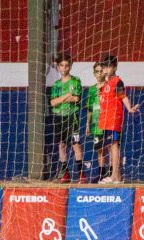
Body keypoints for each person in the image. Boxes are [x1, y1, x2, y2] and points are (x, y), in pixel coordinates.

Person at [97, 54, 139, 184]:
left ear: (114, 67)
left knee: (115, 147)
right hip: (106, 120)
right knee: (111, 147)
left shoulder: (117, 81)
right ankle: (115, 175)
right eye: (104, 67)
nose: (106, 69)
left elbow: (123, 96)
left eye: (109, 67)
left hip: (114, 119)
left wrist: (130, 108)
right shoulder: (106, 84)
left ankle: (115, 176)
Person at [49, 52, 86, 184]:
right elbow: (53, 103)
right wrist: (66, 96)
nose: (64, 68)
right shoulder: (56, 85)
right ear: (58, 67)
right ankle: (65, 173)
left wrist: (62, 99)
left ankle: (81, 173)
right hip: (59, 117)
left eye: (66, 66)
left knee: (76, 145)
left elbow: (76, 98)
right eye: (61, 66)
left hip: (72, 117)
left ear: (70, 66)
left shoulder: (75, 81)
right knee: (62, 145)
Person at [85, 61, 108, 182]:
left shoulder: (108, 86)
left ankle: (112, 172)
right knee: (99, 149)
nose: (99, 74)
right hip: (96, 123)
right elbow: (89, 108)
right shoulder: (92, 90)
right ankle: (101, 174)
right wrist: (88, 124)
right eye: (97, 71)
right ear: (94, 73)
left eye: (101, 71)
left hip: (108, 121)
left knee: (110, 147)